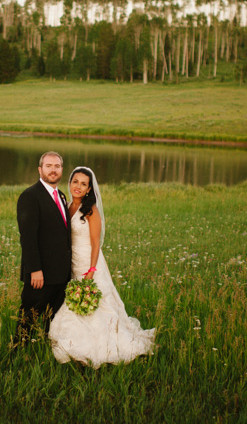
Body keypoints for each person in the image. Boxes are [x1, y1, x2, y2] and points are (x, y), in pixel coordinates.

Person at [49, 166, 156, 368]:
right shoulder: (67, 205)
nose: (78, 186)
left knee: (96, 303)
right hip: (72, 263)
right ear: (69, 182)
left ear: (89, 188)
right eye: (75, 182)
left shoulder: (91, 211)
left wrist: (91, 271)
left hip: (89, 263)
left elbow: (96, 244)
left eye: (83, 184)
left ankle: (101, 342)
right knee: (73, 299)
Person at [13, 151, 72, 346]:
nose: (53, 170)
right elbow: (28, 238)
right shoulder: (30, 196)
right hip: (40, 275)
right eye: (49, 166)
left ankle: (47, 350)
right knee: (28, 316)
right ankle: (18, 350)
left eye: (57, 166)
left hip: (60, 274)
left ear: (62, 169)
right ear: (40, 169)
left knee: (52, 319)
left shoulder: (61, 196)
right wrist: (35, 270)